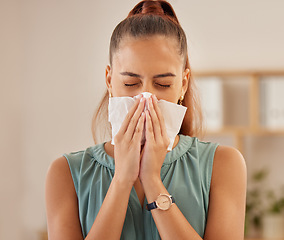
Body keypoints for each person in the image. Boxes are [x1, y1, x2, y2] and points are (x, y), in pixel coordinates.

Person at [45, 1, 247, 239]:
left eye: (163, 84)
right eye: (131, 83)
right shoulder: (66, 173)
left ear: (183, 84)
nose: (146, 97)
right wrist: (121, 179)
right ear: (110, 80)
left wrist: (152, 181)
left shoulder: (223, 165)